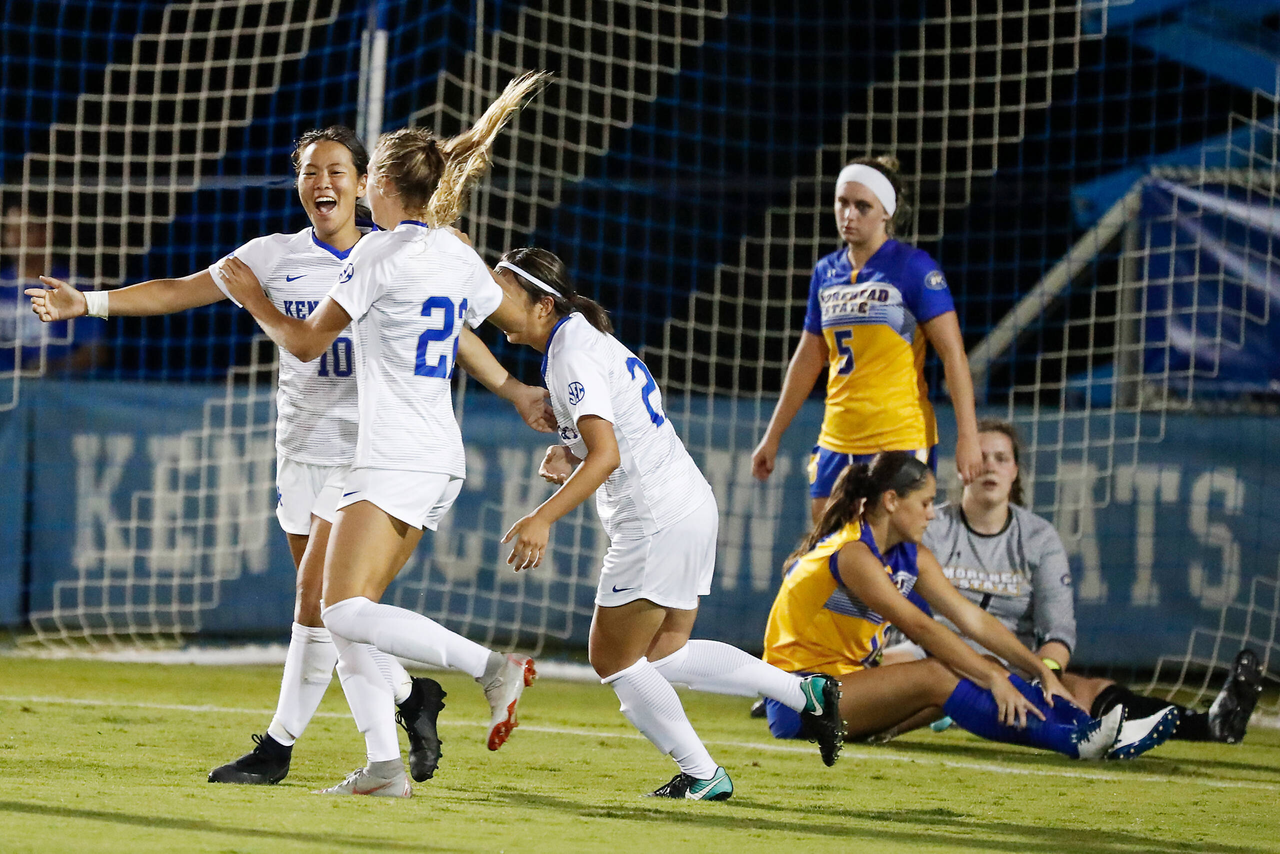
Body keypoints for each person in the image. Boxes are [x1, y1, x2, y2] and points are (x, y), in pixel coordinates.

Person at [27, 125, 551, 789]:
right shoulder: (288, 253)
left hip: (373, 453)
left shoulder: (379, 254)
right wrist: (90, 302)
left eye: (336, 169)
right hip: (311, 449)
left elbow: (414, 338)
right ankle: (398, 729)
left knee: (323, 607)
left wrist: (512, 389)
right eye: (310, 171)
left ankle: (284, 747)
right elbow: (180, 288)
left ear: (367, 184)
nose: (322, 182)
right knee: (335, 613)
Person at [215, 71, 552, 798]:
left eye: (365, 181)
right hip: (435, 453)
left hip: (393, 456)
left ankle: (493, 668)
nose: (356, 192)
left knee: (340, 609)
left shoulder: (376, 254)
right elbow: (515, 324)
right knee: (345, 615)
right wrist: (537, 381)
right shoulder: (455, 253)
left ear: (384, 185)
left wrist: (253, 300)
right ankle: (385, 766)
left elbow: (305, 344)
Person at [496, 246, 845, 801]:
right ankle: (805, 694)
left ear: (542, 305)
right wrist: (569, 452)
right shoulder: (582, 337)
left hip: (654, 522)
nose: (492, 302)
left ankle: (704, 774)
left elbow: (607, 455)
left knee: (611, 660)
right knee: (664, 654)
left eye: (502, 292)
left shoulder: (570, 353)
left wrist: (543, 517)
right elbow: (612, 437)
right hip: (685, 505)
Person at [913, 419, 1263, 752]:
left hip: (1015, 669)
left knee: (1082, 690)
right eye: (981, 456)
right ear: (962, 464)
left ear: (1015, 471)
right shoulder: (932, 526)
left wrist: (1045, 678)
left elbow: (1058, 631)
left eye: (1001, 458)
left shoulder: (1039, 538)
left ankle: (1206, 725)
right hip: (940, 661)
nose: (990, 466)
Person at [762, 451, 1130, 761]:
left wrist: (1040, 670)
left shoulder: (912, 556)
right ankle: (1071, 741)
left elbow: (973, 619)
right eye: (924, 503)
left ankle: (1083, 726)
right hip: (797, 697)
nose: (932, 513)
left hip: (846, 687)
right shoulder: (852, 553)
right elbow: (921, 627)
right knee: (941, 673)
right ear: (891, 501)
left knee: (981, 665)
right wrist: (994, 680)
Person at [751, 156, 982, 524]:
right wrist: (772, 435)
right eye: (843, 202)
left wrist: (968, 435)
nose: (849, 214)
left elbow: (953, 354)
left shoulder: (913, 268)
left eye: (863, 206)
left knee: (894, 552)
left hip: (899, 434)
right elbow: (809, 357)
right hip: (838, 435)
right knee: (831, 549)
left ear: (886, 213)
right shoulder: (826, 272)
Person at [3, 196, 103, 375]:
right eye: (10, 230)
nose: (16, 239)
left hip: (59, 392)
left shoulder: (75, 286)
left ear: (46, 233)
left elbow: (96, 351)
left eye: (26, 230)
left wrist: (52, 368)